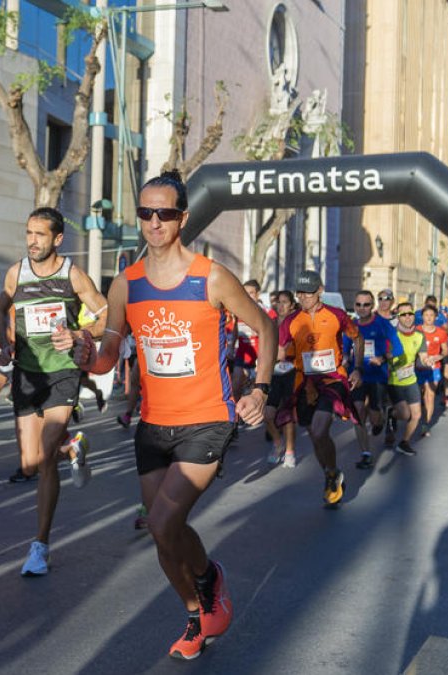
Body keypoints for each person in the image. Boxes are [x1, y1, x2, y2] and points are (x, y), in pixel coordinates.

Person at [70, 170, 275, 660]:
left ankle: (205, 584)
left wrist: (263, 389)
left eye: (164, 213)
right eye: (145, 213)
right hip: (153, 424)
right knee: (166, 534)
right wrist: (85, 355)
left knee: (162, 523)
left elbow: (266, 327)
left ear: (182, 217)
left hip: (207, 419)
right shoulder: (126, 285)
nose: (154, 222)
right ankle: (196, 607)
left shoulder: (211, 277)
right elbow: (109, 356)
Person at [0, 206, 107, 576]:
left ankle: (39, 547)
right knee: (30, 462)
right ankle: (72, 447)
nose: (32, 241)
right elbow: (0, 310)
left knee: (44, 459)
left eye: (40, 235)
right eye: (28, 233)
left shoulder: (72, 274)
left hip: (62, 372)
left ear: (57, 239)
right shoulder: (16, 273)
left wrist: (79, 334)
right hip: (27, 373)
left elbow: (106, 314)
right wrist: (4, 342)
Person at [277, 270, 361, 507]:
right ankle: (331, 474)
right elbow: (282, 350)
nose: (303, 297)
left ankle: (332, 473)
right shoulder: (291, 321)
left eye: (308, 293)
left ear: (320, 291)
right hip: (304, 384)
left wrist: (357, 369)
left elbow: (357, 338)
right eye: (300, 293)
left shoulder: (337, 315)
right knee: (314, 434)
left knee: (320, 428)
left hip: (333, 380)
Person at [352, 289, 402, 470]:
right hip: (357, 375)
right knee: (357, 412)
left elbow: (398, 348)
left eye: (366, 304)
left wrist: (382, 358)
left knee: (374, 418)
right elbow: (342, 346)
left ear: (372, 306)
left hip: (377, 376)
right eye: (358, 304)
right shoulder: (351, 325)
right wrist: (342, 358)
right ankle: (366, 453)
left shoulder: (382, 324)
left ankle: (383, 419)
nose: (362, 308)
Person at [387, 302, 429, 454]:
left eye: (410, 314)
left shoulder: (419, 335)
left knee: (416, 415)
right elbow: (385, 354)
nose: (407, 317)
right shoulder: (392, 335)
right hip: (394, 381)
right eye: (403, 314)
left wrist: (428, 360)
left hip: (411, 379)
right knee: (405, 415)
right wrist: (387, 356)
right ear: (398, 317)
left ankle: (404, 443)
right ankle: (391, 415)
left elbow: (423, 356)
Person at [263, 290, 297, 468]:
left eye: (285, 302)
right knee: (267, 412)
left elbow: (284, 352)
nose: (281, 305)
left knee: (287, 414)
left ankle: (290, 452)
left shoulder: (296, 322)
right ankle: (278, 444)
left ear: (292, 305)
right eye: (279, 302)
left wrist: (275, 353)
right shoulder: (270, 323)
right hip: (273, 373)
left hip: (292, 372)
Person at [416, 305, 447, 435]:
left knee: (430, 395)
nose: (428, 318)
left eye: (431, 315)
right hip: (417, 367)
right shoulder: (416, 330)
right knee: (417, 397)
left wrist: (439, 356)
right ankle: (416, 418)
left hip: (434, 368)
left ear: (436, 317)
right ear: (422, 317)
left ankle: (426, 425)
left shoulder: (441, 332)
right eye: (426, 315)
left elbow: (446, 349)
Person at [231, 279, 263, 399]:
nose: (247, 296)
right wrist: (230, 346)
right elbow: (235, 329)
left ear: (258, 294)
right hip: (242, 354)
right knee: (236, 383)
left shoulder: (265, 311)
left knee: (255, 389)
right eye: (245, 292)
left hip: (258, 355)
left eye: (251, 293)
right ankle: (234, 414)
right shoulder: (238, 310)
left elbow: (270, 334)